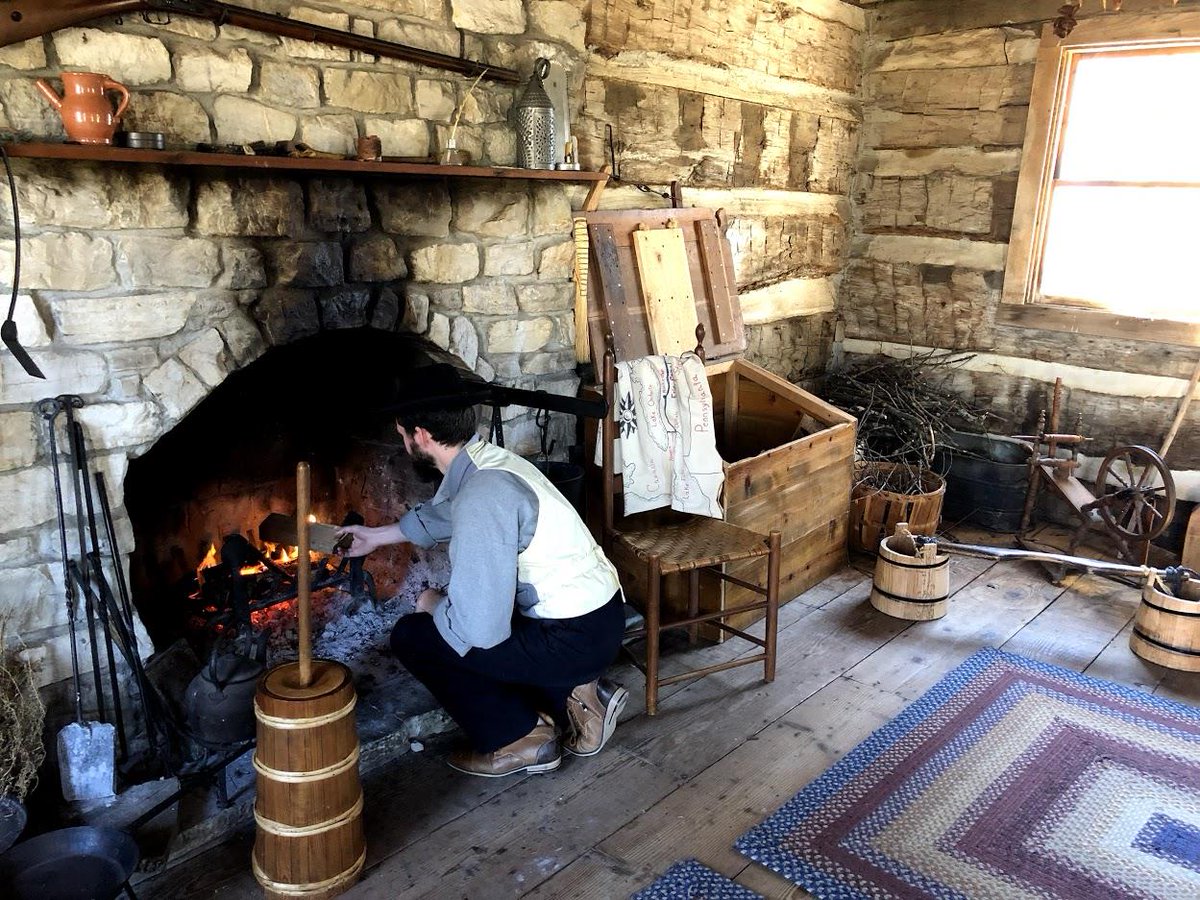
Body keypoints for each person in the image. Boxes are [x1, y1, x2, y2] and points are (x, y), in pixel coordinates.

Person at [340, 378, 629, 778]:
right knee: (476, 618)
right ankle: (573, 693)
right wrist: (375, 537)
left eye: (403, 435)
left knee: (416, 636)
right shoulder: (488, 463)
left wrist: (430, 603)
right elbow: (447, 515)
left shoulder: (482, 494)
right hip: (600, 617)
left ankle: (519, 738)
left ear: (421, 435)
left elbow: (480, 631)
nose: (404, 444)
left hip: (573, 639)